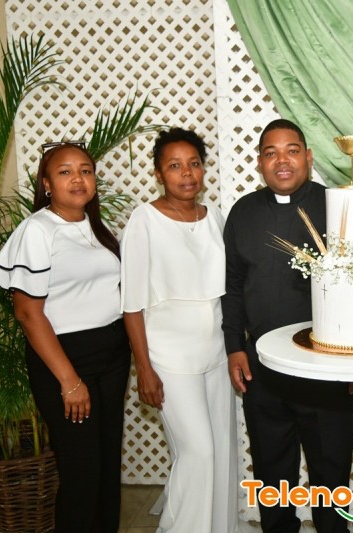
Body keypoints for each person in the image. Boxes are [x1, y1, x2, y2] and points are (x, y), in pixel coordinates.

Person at [222, 118, 353, 533]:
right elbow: (232, 285)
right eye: (271, 153)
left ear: (308, 157)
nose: (282, 160)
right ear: (260, 162)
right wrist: (234, 347)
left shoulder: (338, 207)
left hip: (328, 370)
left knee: (331, 475)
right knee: (272, 473)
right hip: (264, 371)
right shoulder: (243, 212)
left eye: (292, 150)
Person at [0, 141, 131, 533]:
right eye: (65, 172)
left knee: (106, 465)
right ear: (46, 183)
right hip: (66, 360)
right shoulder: (38, 230)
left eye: (85, 170)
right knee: (81, 473)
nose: (78, 179)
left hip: (112, 356)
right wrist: (69, 381)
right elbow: (27, 313)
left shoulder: (95, 226)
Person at [120, 128, 237, 533]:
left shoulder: (215, 217)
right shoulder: (144, 221)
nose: (187, 173)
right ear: (158, 174)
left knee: (221, 453)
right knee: (198, 454)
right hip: (169, 358)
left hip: (216, 353)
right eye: (174, 165)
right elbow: (131, 305)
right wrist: (144, 369)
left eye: (194, 164)